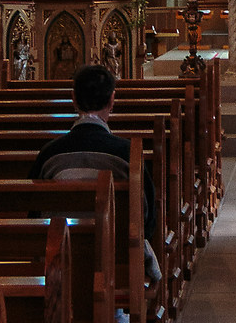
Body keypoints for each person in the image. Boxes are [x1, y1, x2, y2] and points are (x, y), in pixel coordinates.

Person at [34, 63, 161, 293]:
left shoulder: (49, 155)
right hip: (117, 264)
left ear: (73, 99)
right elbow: (147, 217)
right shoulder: (126, 154)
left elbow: (34, 214)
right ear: (112, 100)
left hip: (59, 264)